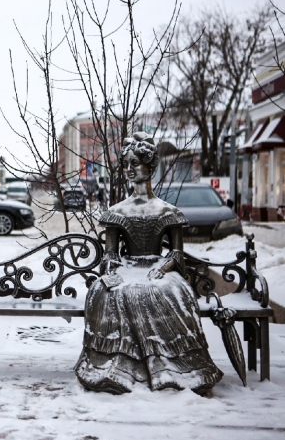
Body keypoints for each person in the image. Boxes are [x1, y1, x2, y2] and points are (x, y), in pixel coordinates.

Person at [74, 132, 223, 394]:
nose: (129, 169)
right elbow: (110, 254)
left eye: (135, 163)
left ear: (151, 167)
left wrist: (163, 268)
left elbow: (177, 255)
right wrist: (112, 270)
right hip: (128, 268)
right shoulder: (118, 211)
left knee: (165, 290)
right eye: (126, 164)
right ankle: (117, 370)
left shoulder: (167, 211)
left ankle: (173, 369)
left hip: (159, 269)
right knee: (113, 292)